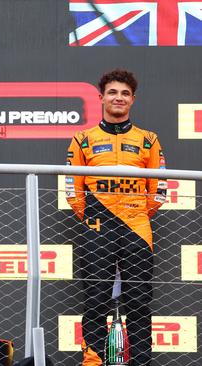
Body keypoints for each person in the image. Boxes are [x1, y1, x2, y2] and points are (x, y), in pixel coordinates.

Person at [65, 69, 166, 366]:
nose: (118, 98)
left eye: (124, 93)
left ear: (132, 100)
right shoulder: (83, 139)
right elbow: (73, 189)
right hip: (97, 226)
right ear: (101, 98)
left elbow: (158, 190)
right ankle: (94, 360)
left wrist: (134, 213)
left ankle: (142, 360)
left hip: (137, 226)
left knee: (138, 300)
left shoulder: (148, 140)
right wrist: (96, 216)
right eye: (112, 92)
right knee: (96, 298)